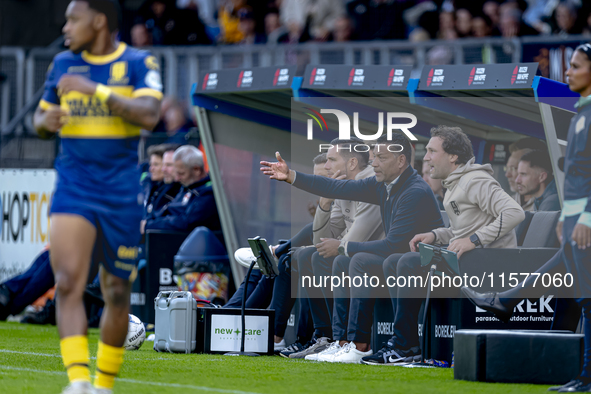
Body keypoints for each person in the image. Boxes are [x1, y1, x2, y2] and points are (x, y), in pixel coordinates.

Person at [32, 1, 163, 393]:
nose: (66, 26)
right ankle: (77, 382)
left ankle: (103, 384)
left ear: (99, 21)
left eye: (74, 18)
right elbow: (40, 118)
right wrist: (46, 122)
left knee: (117, 290)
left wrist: (96, 90)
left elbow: (149, 114)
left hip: (120, 192)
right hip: (74, 186)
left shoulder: (140, 62)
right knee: (68, 280)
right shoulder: (61, 65)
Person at [463, 43, 591, 392]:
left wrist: (585, 219)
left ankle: (584, 376)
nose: (568, 72)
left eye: (577, 66)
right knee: (567, 281)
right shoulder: (582, 113)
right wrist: (570, 215)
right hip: (577, 220)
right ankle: (509, 305)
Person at [260, 133, 444, 363]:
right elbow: (336, 187)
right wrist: (291, 176)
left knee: (358, 260)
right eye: (374, 157)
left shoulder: (414, 190)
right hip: (398, 261)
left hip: (428, 265)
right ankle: (341, 341)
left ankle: (369, 345)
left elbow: (395, 244)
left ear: (401, 161)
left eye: (381, 157)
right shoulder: (383, 184)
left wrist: (343, 247)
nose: (374, 162)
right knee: (332, 259)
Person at [359, 126, 525, 365]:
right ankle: (404, 342)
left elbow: (514, 213)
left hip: (487, 262)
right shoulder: (455, 184)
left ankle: (405, 346)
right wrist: (435, 235)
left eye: (431, 151)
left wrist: (474, 240)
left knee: (407, 262)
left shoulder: (475, 180)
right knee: (393, 260)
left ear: (453, 156)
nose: (426, 157)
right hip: (466, 259)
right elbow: (461, 230)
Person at [286, 138, 384, 360]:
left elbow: (358, 236)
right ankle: (325, 336)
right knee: (305, 254)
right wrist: (325, 202)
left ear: (351, 163)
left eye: (331, 159)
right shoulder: (342, 186)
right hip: (352, 253)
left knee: (336, 259)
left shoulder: (371, 183)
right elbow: (320, 238)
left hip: (375, 255)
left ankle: (346, 341)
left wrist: (336, 245)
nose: (327, 166)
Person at [144, 145, 221, 232]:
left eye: (182, 173)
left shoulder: (207, 193)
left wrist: (150, 225)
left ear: (196, 170)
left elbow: (186, 223)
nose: (177, 179)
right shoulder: (186, 187)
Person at [504, 137, 548, 210]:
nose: (507, 175)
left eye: (514, 168)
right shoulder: (508, 202)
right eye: (507, 168)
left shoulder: (549, 205)